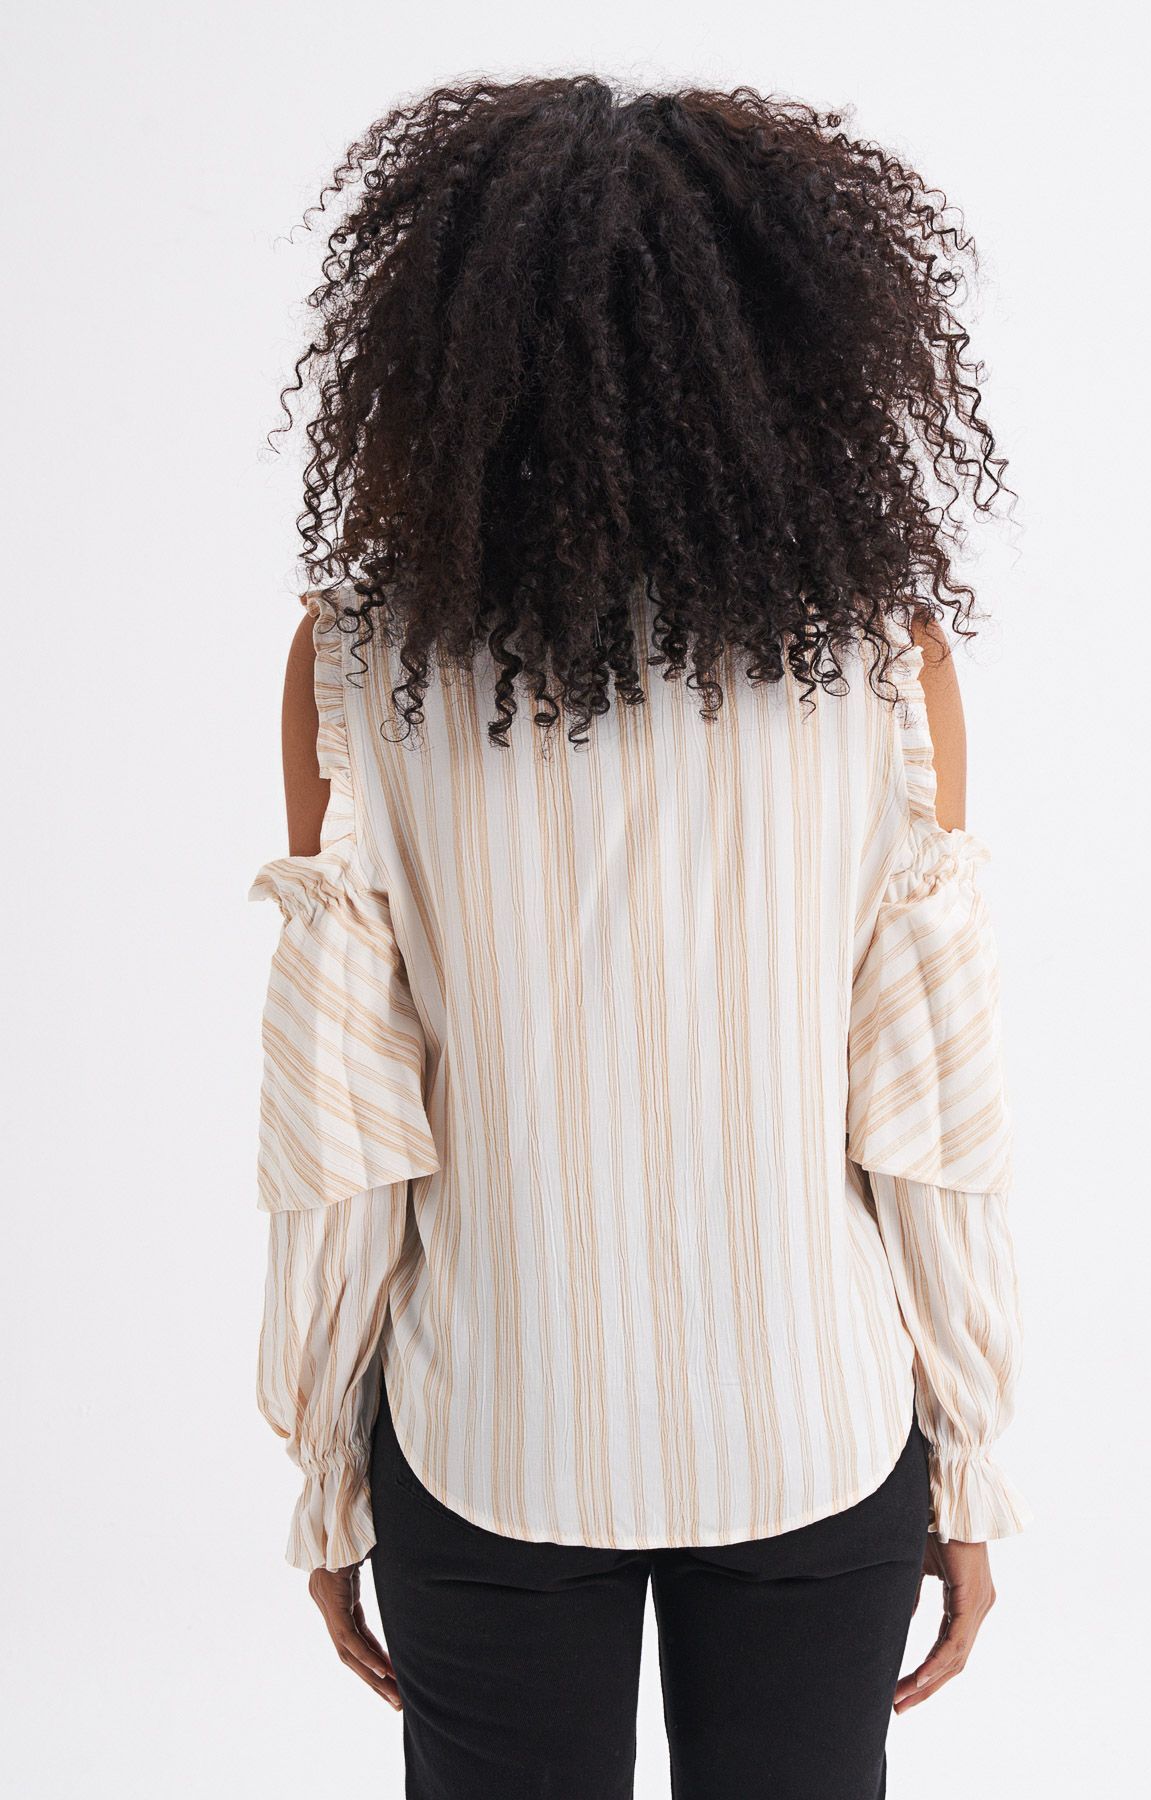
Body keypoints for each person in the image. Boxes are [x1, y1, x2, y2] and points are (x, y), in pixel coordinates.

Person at [248, 75, 1030, 1799]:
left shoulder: (359, 668)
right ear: (801, 351)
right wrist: (971, 1458)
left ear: (440, 354)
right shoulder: (883, 667)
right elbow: (931, 1113)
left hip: (489, 1431)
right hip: (815, 1425)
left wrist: (326, 1473)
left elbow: (343, 1135)